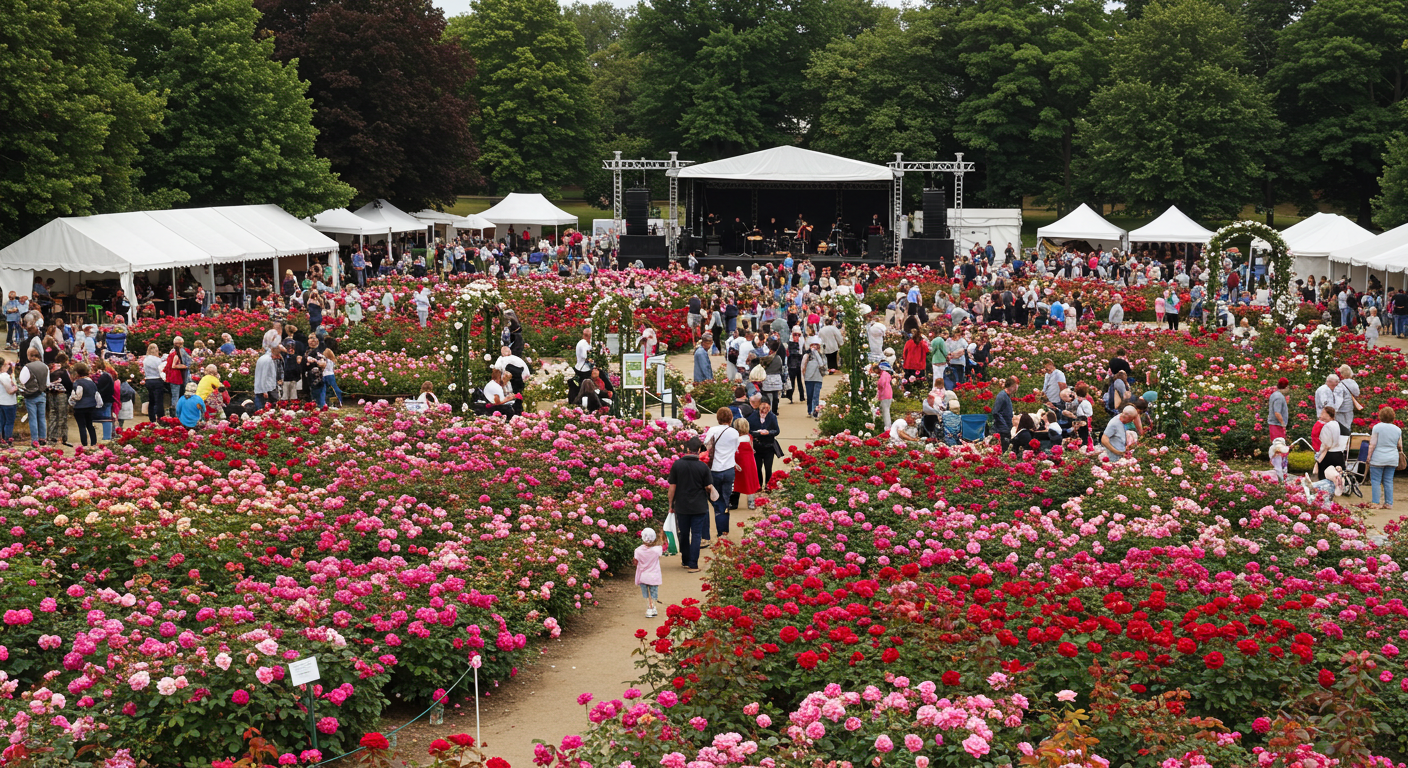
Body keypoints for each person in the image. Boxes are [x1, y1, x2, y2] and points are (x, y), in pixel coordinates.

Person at [667, 437, 714, 574]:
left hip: (682, 505)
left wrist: (671, 504)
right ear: (699, 450)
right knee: (696, 534)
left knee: (684, 533)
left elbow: (672, 487)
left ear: (687, 449)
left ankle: (685, 560)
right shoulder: (703, 467)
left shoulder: (677, 465)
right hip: (699, 505)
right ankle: (693, 564)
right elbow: (708, 486)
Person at [703, 408, 740, 541]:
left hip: (715, 469)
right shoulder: (734, 432)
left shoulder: (713, 430)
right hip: (729, 469)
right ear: (731, 418)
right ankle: (723, 530)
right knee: (725, 498)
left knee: (715, 499)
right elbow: (736, 448)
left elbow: (706, 446)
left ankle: (721, 526)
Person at [1368, 406, 1403, 509]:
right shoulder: (1398, 429)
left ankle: (1375, 502)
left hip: (1378, 458)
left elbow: (1372, 444)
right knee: (1388, 480)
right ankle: (1388, 503)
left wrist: (1368, 457)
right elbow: (1400, 445)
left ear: (1380, 416)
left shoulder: (1377, 428)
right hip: (1392, 458)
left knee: (1376, 480)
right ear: (1393, 416)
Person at [747, 400, 780, 490]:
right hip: (757, 446)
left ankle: (768, 485)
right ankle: (758, 484)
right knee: (757, 467)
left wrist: (768, 432)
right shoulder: (752, 417)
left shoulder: (772, 417)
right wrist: (757, 433)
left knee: (768, 467)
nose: (764, 414)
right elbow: (748, 431)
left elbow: (777, 431)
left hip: (768, 446)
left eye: (766, 412)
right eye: (762, 412)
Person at [633, 527, 664, 618]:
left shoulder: (638, 550)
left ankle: (649, 607)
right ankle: (653, 607)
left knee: (646, 593)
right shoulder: (657, 550)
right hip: (654, 575)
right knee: (654, 592)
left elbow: (635, 562)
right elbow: (662, 547)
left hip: (643, 575)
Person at [68, 362, 100, 446]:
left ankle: (84, 443)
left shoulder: (77, 383)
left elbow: (78, 396)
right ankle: (93, 442)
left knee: (82, 426)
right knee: (90, 424)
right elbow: (96, 395)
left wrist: (72, 400)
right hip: (91, 406)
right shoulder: (92, 382)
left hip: (80, 407)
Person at [732, 418, 761, 509]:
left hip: (738, 462)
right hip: (749, 462)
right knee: (750, 481)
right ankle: (751, 502)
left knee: (735, 482)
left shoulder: (736, 439)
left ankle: (734, 503)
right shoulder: (749, 437)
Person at [1314, 405, 1346, 478]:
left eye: (1323, 413)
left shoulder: (1327, 426)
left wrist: (1319, 454)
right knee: (1338, 478)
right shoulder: (1336, 424)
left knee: (1325, 478)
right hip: (1338, 454)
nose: (1321, 415)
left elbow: (1326, 444)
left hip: (1329, 455)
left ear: (1328, 414)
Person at [253, 346, 282, 412]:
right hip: (267, 387)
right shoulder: (268, 360)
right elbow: (264, 375)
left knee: (259, 406)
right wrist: (264, 391)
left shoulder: (262, 358)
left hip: (260, 386)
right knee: (264, 407)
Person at [992, 376, 1017, 451]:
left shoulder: (1006, 396)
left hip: (1007, 428)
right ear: (1011, 387)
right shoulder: (1002, 396)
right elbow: (995, 412)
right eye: (1015, 387)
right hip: (1002, 429)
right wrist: (1004, 425)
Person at [802, 339, 825, 418]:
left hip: (818, 378)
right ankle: (809, 410)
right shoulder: (806, 356)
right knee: (809, 396)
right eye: (813, 345)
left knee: (816, 396)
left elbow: (821, 364)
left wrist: (816, 353)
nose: (814, 347)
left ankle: (814, 411)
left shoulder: (822, 356)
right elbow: (802, 367)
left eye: (816, 345)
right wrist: (803, 377)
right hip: (808, 378)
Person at [1336, 364, 1360, 435]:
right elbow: (1357, 393)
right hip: (1349, 408)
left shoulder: (1340, 385)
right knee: (1348, 426)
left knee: (1340, 428)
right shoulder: (1354, 383)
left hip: (1340, 409)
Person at [875, 361, 894, 431]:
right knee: (886, 410)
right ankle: (887, 426)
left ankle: (887, 427)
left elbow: (881, 383)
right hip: (888, 394)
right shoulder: (887, 374)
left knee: (885, 411)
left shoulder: (884, 374)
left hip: (885, 394)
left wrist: (878, 384)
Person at [0, 359, 16, 447]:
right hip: (9, 402)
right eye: (7, 364)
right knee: (9, 422)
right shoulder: (4, 376)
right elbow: (10, 390)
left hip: (1, 401)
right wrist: (16, 387)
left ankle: (2, 439)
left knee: (1, 421)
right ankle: (8, 439)